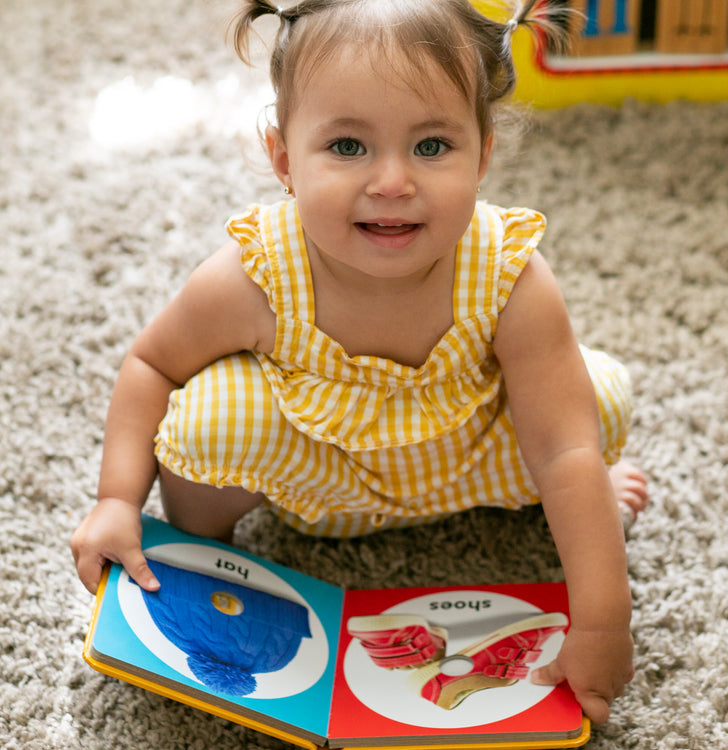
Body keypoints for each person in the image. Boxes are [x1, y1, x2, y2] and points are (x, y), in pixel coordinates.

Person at [72, 0, 648, 724]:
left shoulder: (510, 277)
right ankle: (205, 551)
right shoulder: (256, 274)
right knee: (202, 423)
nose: (392, 181)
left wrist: (601, 621)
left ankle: (558, 500)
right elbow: (151, 366)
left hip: (474, 469)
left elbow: (560, 446)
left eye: (432, 146)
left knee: (593, 405)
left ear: (485, 154)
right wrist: (117, 502)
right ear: (284, 158)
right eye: (347, 147)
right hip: (321, 483)